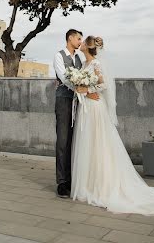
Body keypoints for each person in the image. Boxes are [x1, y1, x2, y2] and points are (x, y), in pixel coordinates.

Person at [71, 36, 154, 215]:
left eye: (84, 42)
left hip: (95, 108)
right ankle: (88, 184)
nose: (81, 43)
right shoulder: (84, 64)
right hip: (86, 109)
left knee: (99, 145)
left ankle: (103, 184)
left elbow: (104, 84)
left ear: (90, 47)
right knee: (88, 145)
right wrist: (80, 88)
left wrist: (88, 90)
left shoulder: (96, 64)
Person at [53, 29, 99, 198]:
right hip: (64, 101)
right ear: (70, 38)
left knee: (76, 141)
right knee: (63, 140)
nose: (80, 42)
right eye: (78, 38)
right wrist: (83, 90)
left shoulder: (79, 59)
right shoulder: (59, 56)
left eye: (81, 39)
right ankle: (62, 182)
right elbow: (64, 78)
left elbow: (89, 72)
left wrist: (86, 91)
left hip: (80, 102)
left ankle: (74, 179)